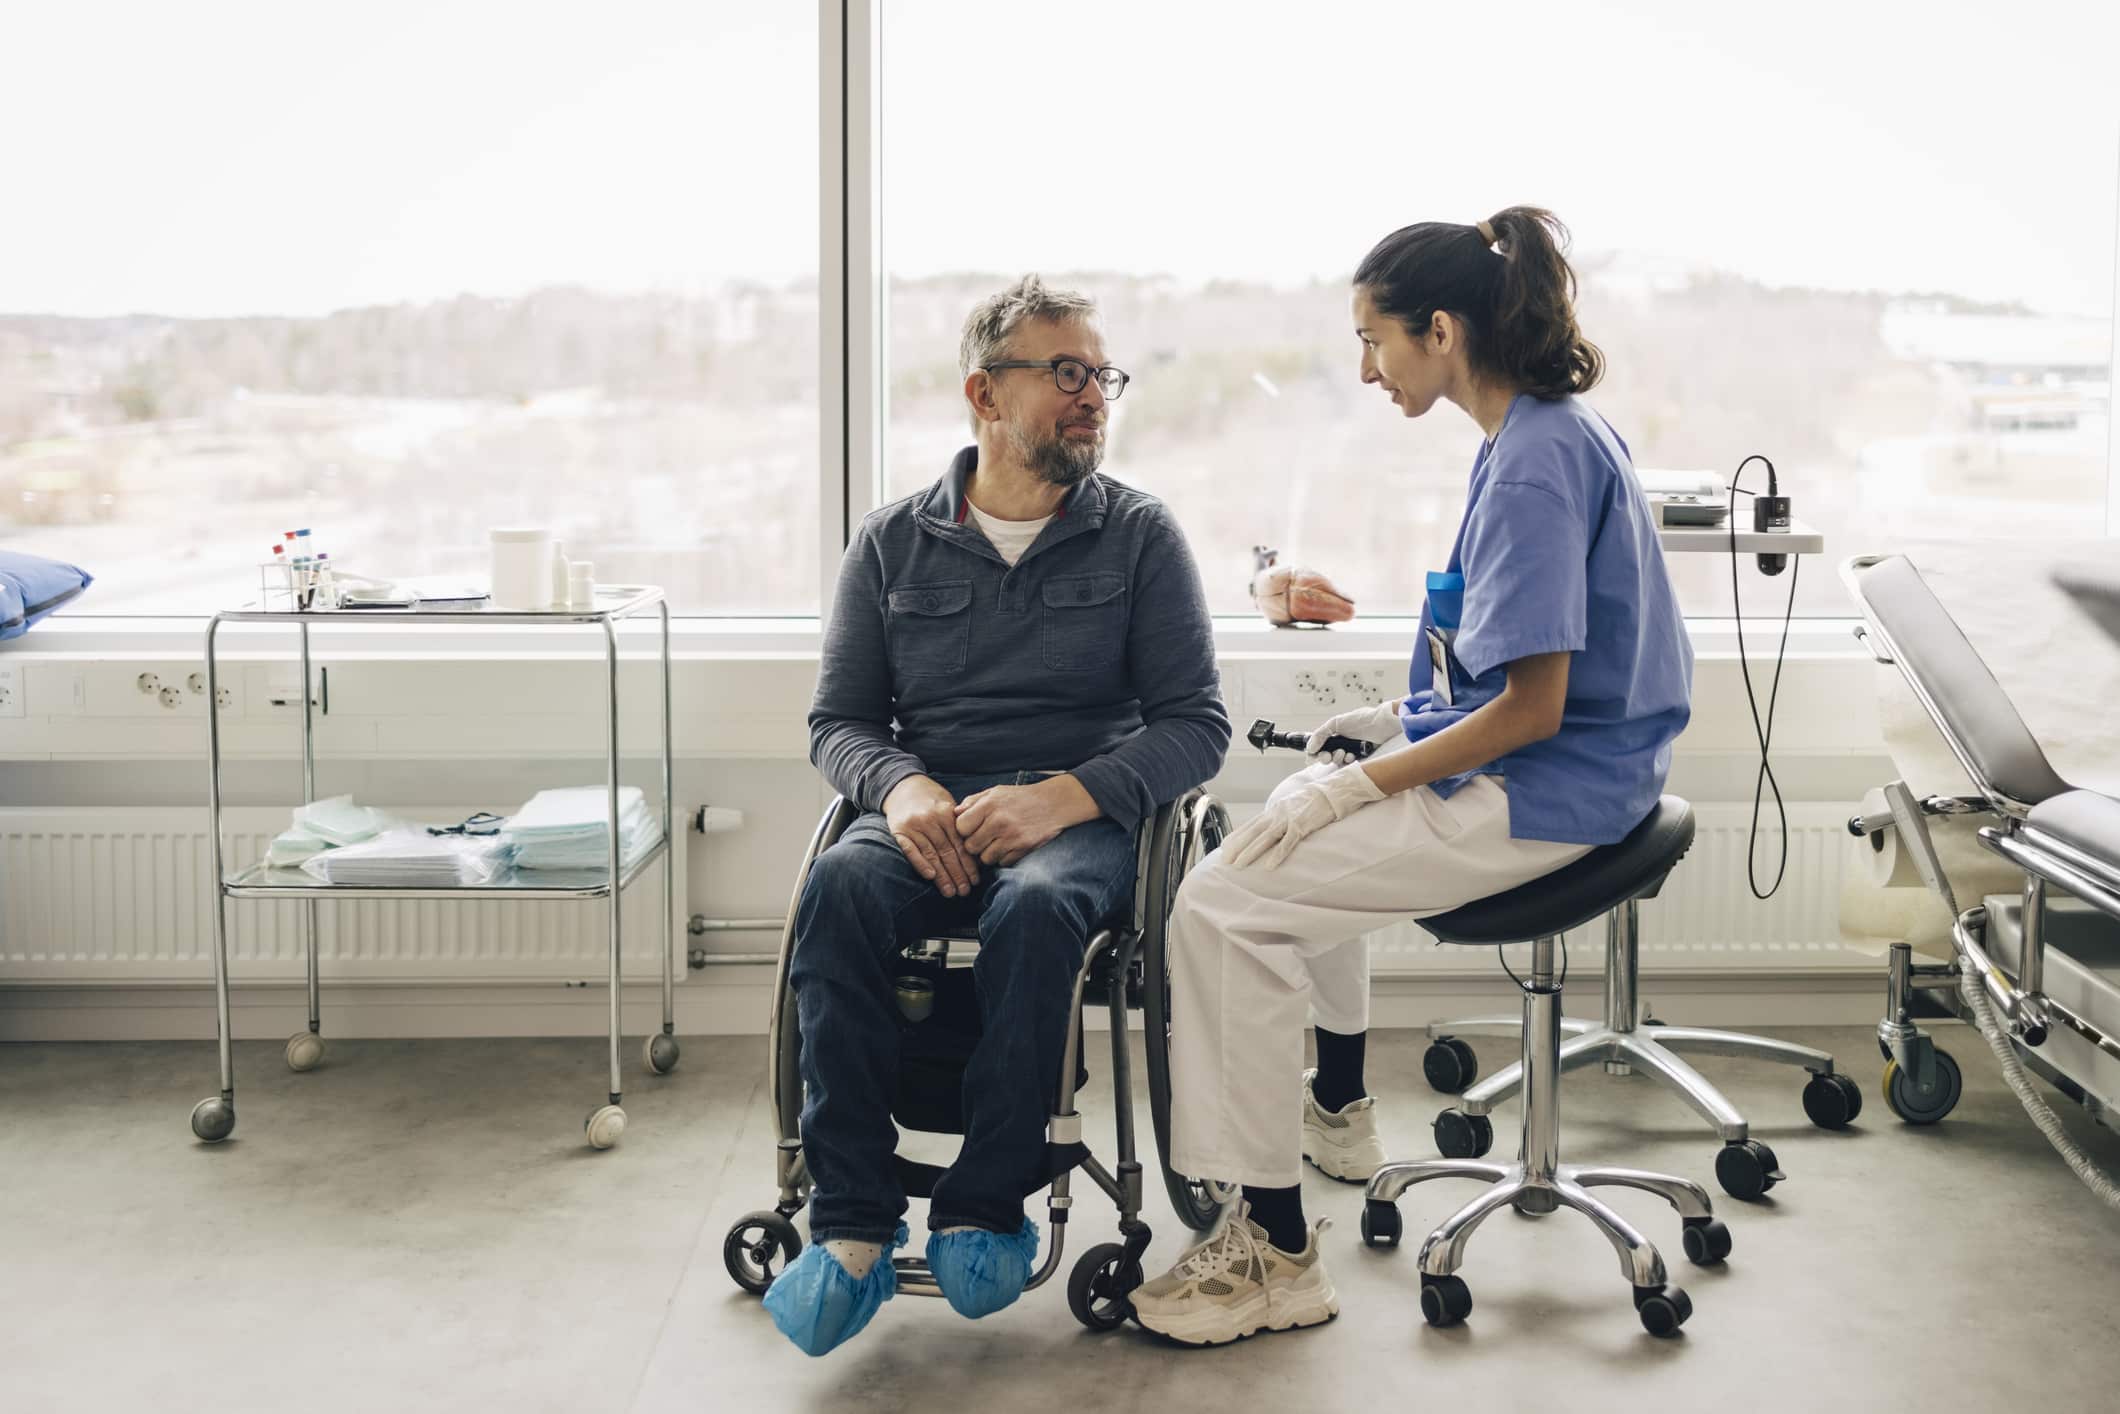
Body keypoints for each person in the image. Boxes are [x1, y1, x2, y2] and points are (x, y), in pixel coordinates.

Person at [1129, 208, 1693, 1346]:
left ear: (1439, 331)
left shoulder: (1534, 460)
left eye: (1372, 339)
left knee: (1219, 904)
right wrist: (1380, 734)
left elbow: (1530, 709)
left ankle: (1271, 1252)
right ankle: (1334, 1111)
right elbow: (1507, 663)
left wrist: (1369, 784)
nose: (1363, 367)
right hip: (1582, 764)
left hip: (1549, 791)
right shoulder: (1535, 434)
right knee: (1292, 829)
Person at [764, 275, 1231, 1357]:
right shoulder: (889, 543)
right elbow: (837, 722)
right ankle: (849, 1219)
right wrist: (902, 787)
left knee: (1033, 905)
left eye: (1100, 374)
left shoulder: (1140, 537)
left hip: (1087, 822)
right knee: (836, 884)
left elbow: (1193, 726)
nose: (1093, 396)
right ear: (984, 391)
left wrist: (1061, 798)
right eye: (1063, 372)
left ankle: (985, 1201)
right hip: (930, 810)